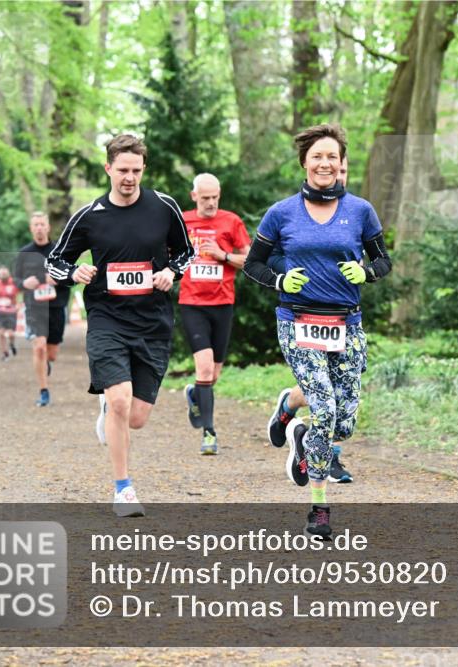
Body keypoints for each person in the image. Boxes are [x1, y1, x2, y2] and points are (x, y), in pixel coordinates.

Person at [244, 124, 391, 539]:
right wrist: (280, 280)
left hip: (347, 323)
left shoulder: (360, 211)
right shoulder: (282, 213)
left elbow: (383, 261)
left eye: (332, 157)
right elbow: (254, 263)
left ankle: (298, 426)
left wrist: (366, 272)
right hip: (298, 321)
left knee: (343, 424)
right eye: (317, 156)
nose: (325, 163)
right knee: (325, 409)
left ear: (341, 163)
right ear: (304, 162)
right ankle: (319, 509)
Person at [46, 134, 193, 517]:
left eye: (136, 171)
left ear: (144, 170)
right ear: (108, 168)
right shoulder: (89, 215)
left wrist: (170, 272)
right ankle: (123, 489)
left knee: (137, 419)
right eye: (123, 170)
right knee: (120, 402)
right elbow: (54, 261)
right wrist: (74, 272)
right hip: (107, 320)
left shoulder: (164, 207)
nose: (129, 178)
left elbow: (186, 253)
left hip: (153, 323)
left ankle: (110, 410)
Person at [266, 157, 353, 483]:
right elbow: (270, 256)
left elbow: (373, 258)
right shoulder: (294, 213)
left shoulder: (357, 212)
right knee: (324, 392)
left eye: (343, 170)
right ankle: (326, 456)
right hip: (303, 315)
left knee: (341, 392)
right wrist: (289, 273)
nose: (336, 175)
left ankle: (289, 405)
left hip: (344, 316)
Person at [179, 173, 251, 455]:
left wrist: (223, 255)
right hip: (192, 303)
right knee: (205, 368)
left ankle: (195, 394)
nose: (210, 203)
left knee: (214, 374)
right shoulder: (182, 221)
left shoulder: (231, 221)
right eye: (205, 198)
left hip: (222, 304)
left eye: (215, 197)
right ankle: (209, 434)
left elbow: (249, 260)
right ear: (194, 196)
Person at [14, 212, 72, 406]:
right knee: (39, 348)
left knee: (51, 354)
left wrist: (59, 279)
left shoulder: (59, 251)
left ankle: (46, 361)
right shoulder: (24, 253)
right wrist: (24, 283)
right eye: (35, 225)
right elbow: (16, 280)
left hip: (56, 306)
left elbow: (71, 277)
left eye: (42, 224)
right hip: (34, 307)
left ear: (48, 227)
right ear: (31, 229)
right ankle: (44, 391)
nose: (39, 228)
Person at [0, 265, 19, 362]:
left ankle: (12, 344)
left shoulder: (14, 283)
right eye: (1, 274)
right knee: (1, 333)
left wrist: (18, 305)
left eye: (4, 273)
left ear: (8, 273)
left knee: (10, 334)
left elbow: (19, 294)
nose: (3, 275)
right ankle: (5, 353)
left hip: (11, 311)